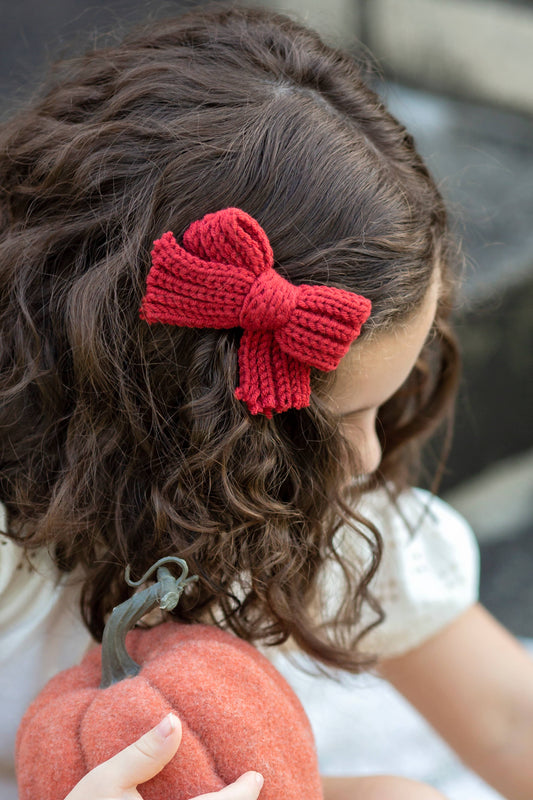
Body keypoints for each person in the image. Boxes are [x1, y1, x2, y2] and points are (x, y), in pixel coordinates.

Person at [1, 4, 533, 800]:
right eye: (334, 422)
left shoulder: (283, 497)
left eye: (380, 408)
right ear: (178, 419)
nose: (366, 457)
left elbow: (506, 719)